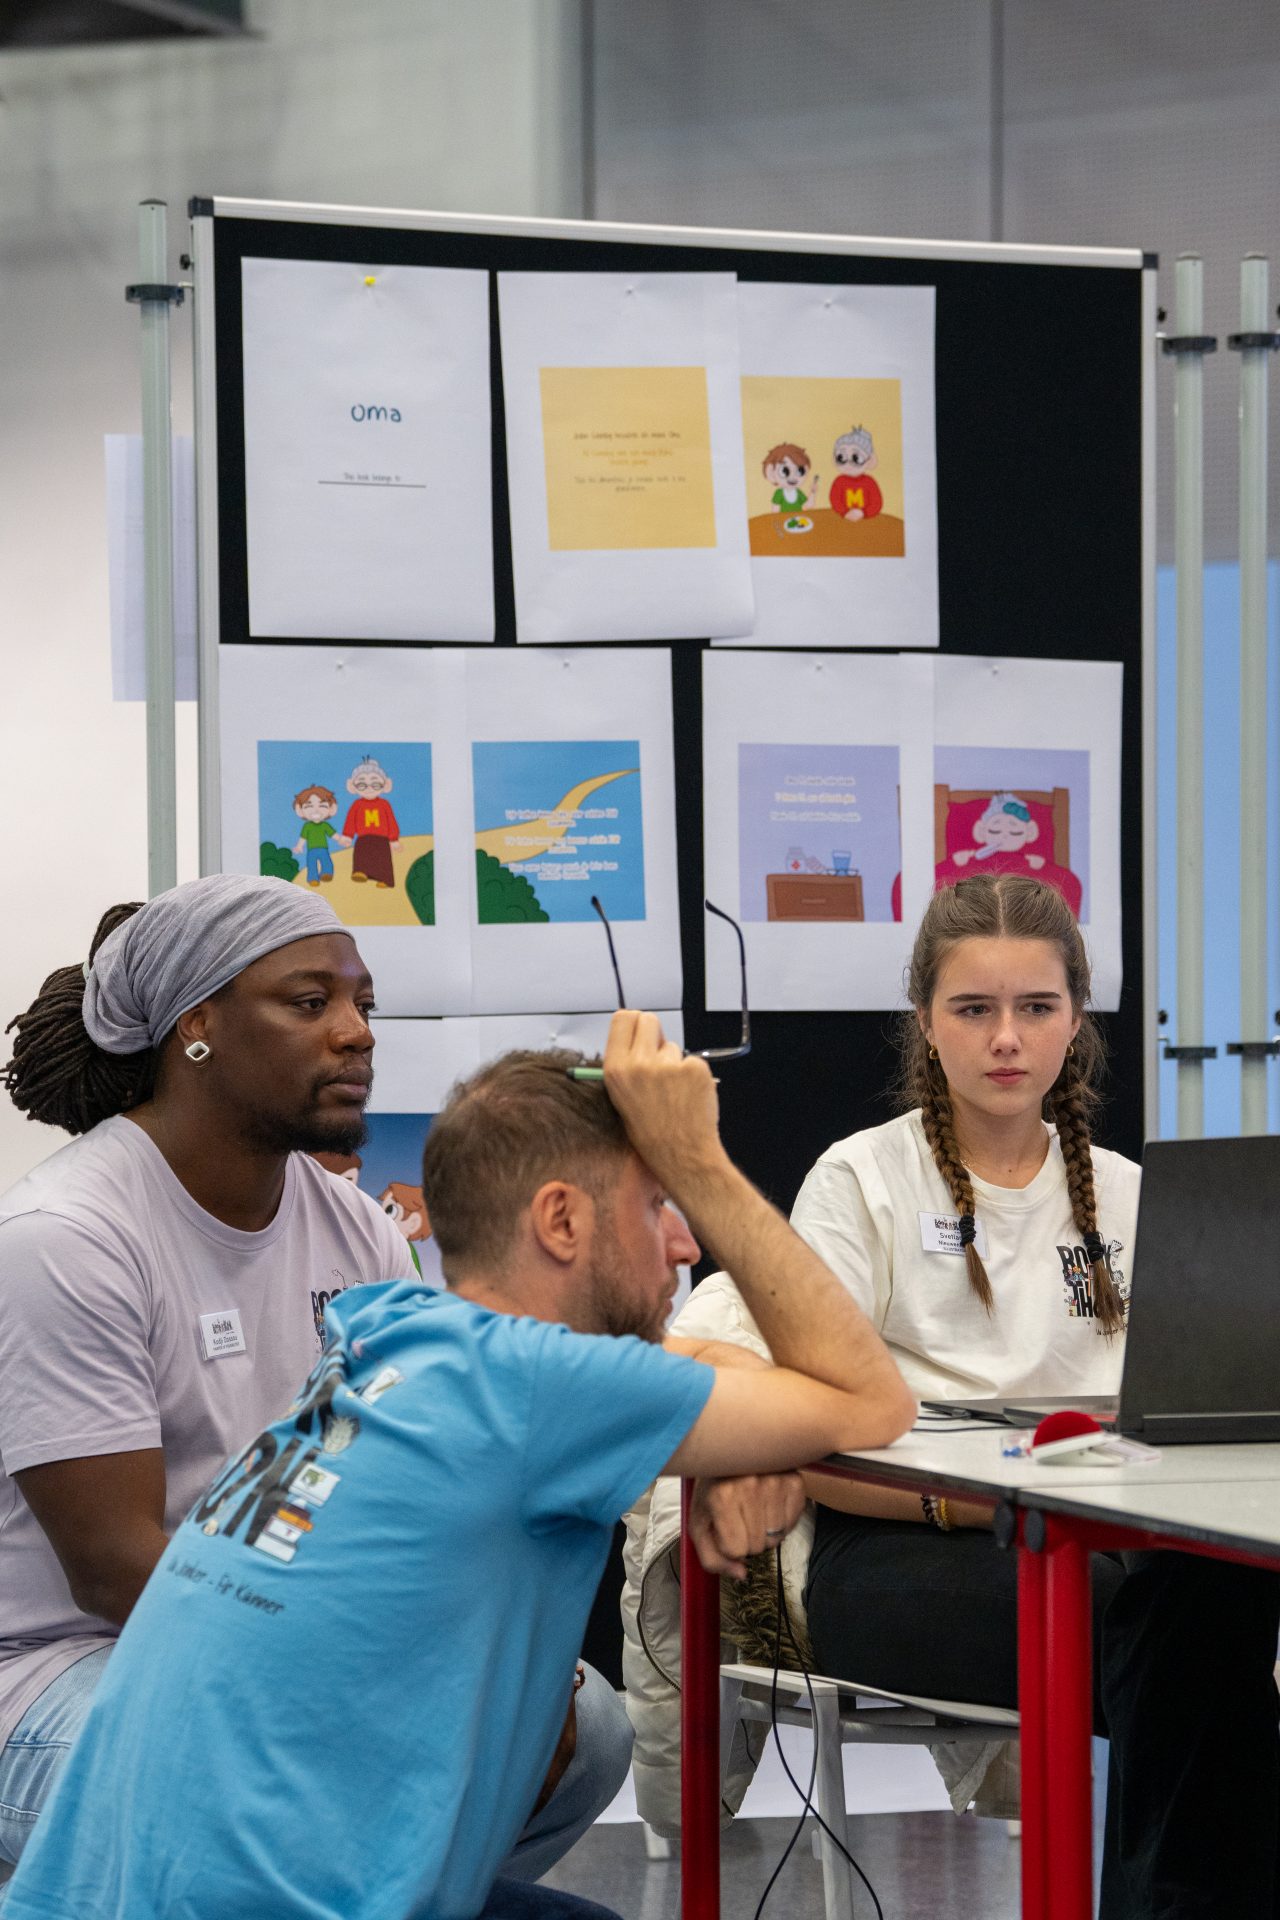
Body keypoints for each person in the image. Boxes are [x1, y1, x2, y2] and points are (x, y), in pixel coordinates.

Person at [3, 1014, 916, 1919]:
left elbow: (706, 1365)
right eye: (656, 1205)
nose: (684, 1243)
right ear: (561, 1221)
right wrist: (701, 1161)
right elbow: (870, 1399)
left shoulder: (390, 1327)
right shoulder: (539, 1388)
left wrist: (744, 1445)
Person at [625, 873, 1280, 1916]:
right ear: (926, 1022)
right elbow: (807, 1422)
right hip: (896, 1548)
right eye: (973, 1008)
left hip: (1105, 1543)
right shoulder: (862, 1180)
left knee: (1210, 1597)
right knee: (1176, 1632)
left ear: (1076, 1019)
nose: (1006, 1038)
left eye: (1036, 1007)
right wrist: (971, 1501)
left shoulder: (1130, 1193)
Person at [0, 875, 629, 1890]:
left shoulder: (357, 1230)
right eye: (309, 1003)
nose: (355, 1033)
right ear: (196, 1026)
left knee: (583, 1726)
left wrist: (491, 1648)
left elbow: (425, 1477)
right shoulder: (65, 1239)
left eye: (362, 1004)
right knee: (261, 1775)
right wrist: (368, 1666)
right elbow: (116, 1569)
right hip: (64, 1669)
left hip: (275, 1628)